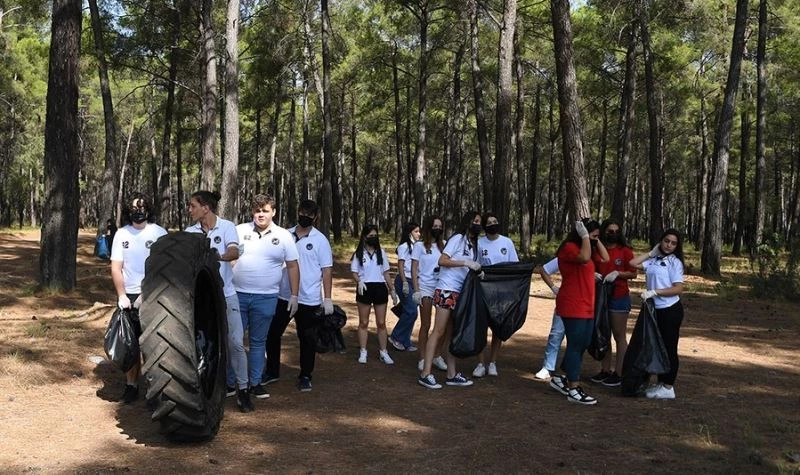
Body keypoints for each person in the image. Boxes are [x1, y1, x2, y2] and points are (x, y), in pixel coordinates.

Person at [186, 191, 252, 412]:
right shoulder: (190, 232)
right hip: (202, 300)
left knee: (235, 343)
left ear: (206, 208)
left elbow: (234, 251)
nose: (190, 210)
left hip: (226, 295)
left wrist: (217, 257)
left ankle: (243, 389)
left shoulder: (226, 227)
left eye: (193, 206)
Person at [233, 194, 299, 400]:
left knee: (258, 342)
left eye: (265, 211)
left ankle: (255, 382)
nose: (260, 215)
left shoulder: (284, 236)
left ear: (273, 212)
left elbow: (292, 266)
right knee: (233, 341)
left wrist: (294, 295)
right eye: (257, 211)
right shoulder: (239, 230)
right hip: (237, 295)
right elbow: (228, 258)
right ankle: (230, 382)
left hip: (267, 297)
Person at [265, 199, 334, 392]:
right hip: (284, 295)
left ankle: (305, 375)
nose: (305, 217)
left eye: (310, 215)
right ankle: (271, 371)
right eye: (303, 212)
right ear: (298, 212)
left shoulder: (320, 240)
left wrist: (327, 298)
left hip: (309, 298)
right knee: (273, 333)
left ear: (315, 217)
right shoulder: (285, 235)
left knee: (307, 338)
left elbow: (327, 270)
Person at [109, 193, 167, 403]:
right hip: (129, 296)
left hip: (153, 295)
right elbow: (116, 267)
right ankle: (131, 386)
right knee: (130, 345)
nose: (138, 211)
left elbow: (163, 268)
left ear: (148, 210)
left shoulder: (159, 233)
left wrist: (147, 293)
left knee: (154, 345)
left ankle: (156, 389)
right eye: (134, 207)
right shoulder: (121, 234)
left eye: (141, 207)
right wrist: (122, 295)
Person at [417, 211, 483, 389]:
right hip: (447, 289)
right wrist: (465, 263)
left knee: (453, 333)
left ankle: (451, 374)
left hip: (462, 292)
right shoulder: (457, 239)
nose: (478, 224)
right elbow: (442, 260)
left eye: (480, 222)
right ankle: (426, 373)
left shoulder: (474, 243)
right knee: (438, 331)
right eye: (476, 221)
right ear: (468, 222)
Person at [548, 219, 609, 405]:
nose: (594, 239)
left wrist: (595, 239)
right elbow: (582, 258)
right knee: (575, 344)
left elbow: (605, 259)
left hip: (587, 304)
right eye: (594, 235)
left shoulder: (588, 249)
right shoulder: (569, 248)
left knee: (583, 343)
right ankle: (573, 388)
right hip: (572, 304)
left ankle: (561, 377)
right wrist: (584, 236)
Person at [629, 228, 685, 399]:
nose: (669, 245)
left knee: (668, 347)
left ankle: (668, 386)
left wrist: (656, 292)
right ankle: (660, 382)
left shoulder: (675, 263)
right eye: (666, 241)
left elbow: (678, 288)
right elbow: (632, 263)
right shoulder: (654, 260)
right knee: (655, 346)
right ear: (661, 241)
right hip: (655, 311)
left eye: (673, 243)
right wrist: (650, 253)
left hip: (670, 309)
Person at [589, 219, 637, 387]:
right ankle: (605, 370)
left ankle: (619, 372)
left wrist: (618, 273)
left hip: (619, 296)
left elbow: (633, 273)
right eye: (609, 230)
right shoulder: (596, 250)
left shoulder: (625, 251)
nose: (613, 234)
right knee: (604, 333)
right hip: (601, 297)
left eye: (616, 231)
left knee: (619, 335)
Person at [473, 212, 519, 378]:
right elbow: (475, 264)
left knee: (498, 327)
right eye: (489, 222)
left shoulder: (507, 242)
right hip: (484, 289)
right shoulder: (479, 243)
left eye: (495, 221)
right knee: (481, 326)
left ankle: (492, 362)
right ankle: (480, 363)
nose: (493, 224)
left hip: (502, 290)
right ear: (484, 226)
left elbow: (514, 266)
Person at [350, 224, 399, 364]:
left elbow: (386, 273)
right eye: (370, 236)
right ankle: (363, 351)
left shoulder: (381, 253)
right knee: (364, 322)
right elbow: (354, 271)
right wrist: (359, 282)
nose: (373, 238)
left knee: (381, 322)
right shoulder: (359, 253)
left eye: (375, 235)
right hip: (364, 287)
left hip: (379, 288)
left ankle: (384, 352)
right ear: (364, 237)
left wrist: (392, 290)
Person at [410, 216, 448, 372]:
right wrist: (416, 289)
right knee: (426, 324)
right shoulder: (419, 246)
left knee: (442, 326)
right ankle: (423, 357)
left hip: (441, 287)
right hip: (425, 287)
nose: (437, 229)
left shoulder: (444, 246)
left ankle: (437, 355)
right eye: (435, 226)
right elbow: (414, 268)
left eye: (440, 226)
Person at [389, 222, 421, 352]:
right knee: (411, 310)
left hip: (414, 281)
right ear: (410, 233)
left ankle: (405, 341)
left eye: (419, 231)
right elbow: (401, 265)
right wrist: (404, 282)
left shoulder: (418, 247)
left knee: (412, 312)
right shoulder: (404, 247)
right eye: (416, 231)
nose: (419, 234)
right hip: (404, 280)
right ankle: (396, 336)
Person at [533, 257, 563, 381]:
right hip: (565, 301)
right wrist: (554, 288)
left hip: (586, 303)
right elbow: (544, 270)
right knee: (556, 333)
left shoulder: (593, 255)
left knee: (579, 338)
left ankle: (571, 367)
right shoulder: (567, 254)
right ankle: (548, 366)